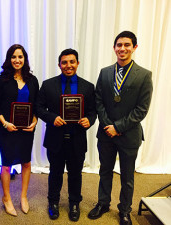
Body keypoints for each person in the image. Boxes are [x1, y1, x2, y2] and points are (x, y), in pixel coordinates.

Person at [87, 31, 153, 225]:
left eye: (127, 45)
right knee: (105, 171)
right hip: (106, 134)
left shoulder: (144, 75)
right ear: (114, 47)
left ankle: (124, 210)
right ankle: (103, 203)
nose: (122, 48)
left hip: (129, 134)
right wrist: (109, 126)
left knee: (127, 176)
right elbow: (98, 100)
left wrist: (118, 127)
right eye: (119, 45)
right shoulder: (105, 72)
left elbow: (142, 109)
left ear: (134, 47)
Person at [36, 48, 96, 222]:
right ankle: (53, 203)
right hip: (55, 138)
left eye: (72, 62)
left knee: (75, 173)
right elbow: (39, 108)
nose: (68, 65)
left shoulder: (87, 87)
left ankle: (74, 204)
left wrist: (89, 120)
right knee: (55, 172)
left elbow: (93, 112)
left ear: (77, 63)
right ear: (59, 64)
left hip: (77, 138)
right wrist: (52, 117)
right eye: (64, 62)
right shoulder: (48, 85)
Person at [0, 44, 39, 216]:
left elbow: (37, 106)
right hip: (7, 129)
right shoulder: (1, 80)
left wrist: (34, 122)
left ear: (24, 59)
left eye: (20, 57)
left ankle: (23, 197)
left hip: (26, 130)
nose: (17, 60)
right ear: (9, 59)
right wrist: (5, 123)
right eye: (13, 57)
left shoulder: (32, 80)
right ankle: (6, 198)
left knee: (26, 162)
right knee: (6, 164)